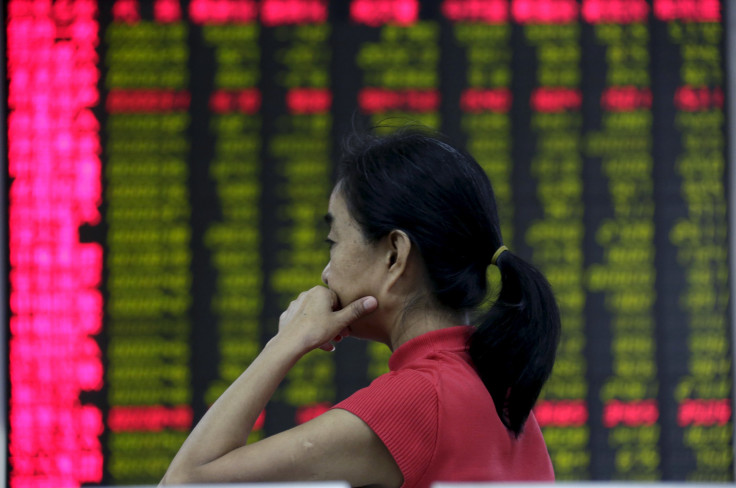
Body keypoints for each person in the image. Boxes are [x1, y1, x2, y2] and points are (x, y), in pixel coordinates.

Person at [161, 128, 561, 487]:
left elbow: (186, 482)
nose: (325, 272)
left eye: (333, 242)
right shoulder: (497, 386)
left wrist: (286, 343)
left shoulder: (416, 399)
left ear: (394, 256)